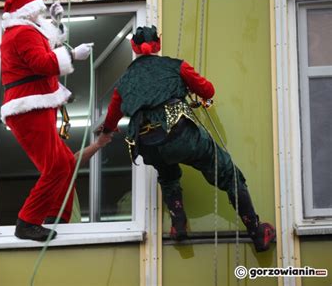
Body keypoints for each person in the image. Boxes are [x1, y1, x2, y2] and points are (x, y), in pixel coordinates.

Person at [99, 26, 276, 252]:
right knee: (226, 172)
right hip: (179, 133)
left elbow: (112, 119)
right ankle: (257, 231)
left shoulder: (123, 82)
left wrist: (105, 132)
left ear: (134, 47)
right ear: (158, 44)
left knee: (168, 174)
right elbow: (208, 91)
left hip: (146, 144)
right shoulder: (175, 66)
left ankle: (179, 226)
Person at [0, 0, 102, 241]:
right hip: (29, 107)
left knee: (65, 163)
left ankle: (57, 217)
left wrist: (59, 22)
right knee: (56, 166)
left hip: (38, 105)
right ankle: (28, 221)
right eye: (37, 9)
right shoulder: (21, 33)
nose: (40, 13)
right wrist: (72, 55)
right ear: (28, 11)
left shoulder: (26, 30)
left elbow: (49, 42)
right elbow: (42, 62)